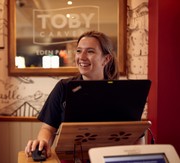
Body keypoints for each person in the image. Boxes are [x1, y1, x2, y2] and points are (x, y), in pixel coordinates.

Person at [25, 30, 144, 159]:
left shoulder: (122, 92)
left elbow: (137, 135)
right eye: (79, 51)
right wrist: (43, 144)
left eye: (90, 51)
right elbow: (48, 129)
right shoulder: (63, 88)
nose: (81, 57)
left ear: (106, 59)